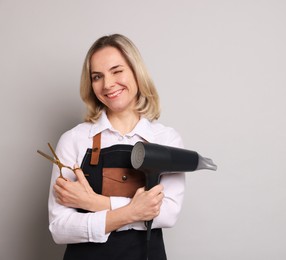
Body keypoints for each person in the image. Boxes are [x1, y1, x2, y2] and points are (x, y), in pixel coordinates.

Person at [48, 34, 185, 260]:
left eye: (117, 70)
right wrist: (132, 212)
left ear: (136, 71)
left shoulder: (166, 139)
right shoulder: (74, 140)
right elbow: (60, 228)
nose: (108, 84)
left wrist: (95, 203)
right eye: (97, 76)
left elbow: (168, 214)